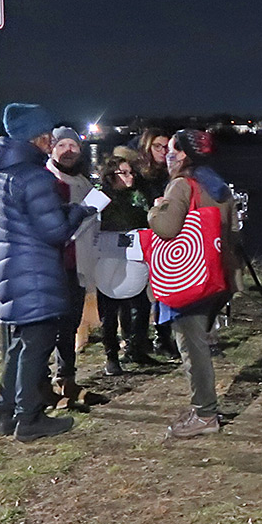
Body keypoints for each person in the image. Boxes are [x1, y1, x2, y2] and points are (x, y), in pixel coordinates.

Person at [0, 103, 92, 442]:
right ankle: (29, 419)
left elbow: (15, 220)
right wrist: (77, 212)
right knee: (37, 344)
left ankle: (6, 414)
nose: (51, 143)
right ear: (40, 138)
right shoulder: (34, 176)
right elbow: (55, 232)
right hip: (35, 271)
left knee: (19, 344)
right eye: (48, 137)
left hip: (8, 266)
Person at [148, 129, 241, 438]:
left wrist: (156, 208)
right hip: (217, 275)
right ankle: (203, 407)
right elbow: (232, 231)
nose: (166, 155)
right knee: (200, 341)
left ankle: (205, 413)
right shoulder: (216, 185)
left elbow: (165, 227)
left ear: (183, 154)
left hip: (188, 277)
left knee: (192, 347)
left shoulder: (180, 186)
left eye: (171, 150)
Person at [45, 126, 98, 403]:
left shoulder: (82, 181)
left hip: (78, 263)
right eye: (62, 145)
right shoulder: (49, 180)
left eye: (73, 146)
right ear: (51, 148)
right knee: (52, 326)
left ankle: (67, 380)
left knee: (70, 324)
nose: (68, 150)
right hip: (55, 264)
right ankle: (45, 386)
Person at [96, 154, 153, 373]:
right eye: (124, 173)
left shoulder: (136, 196)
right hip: (108, 258)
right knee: (110, 310)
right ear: (112, 176)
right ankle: (111, 355)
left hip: (132, 256)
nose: (130, 177)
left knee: (140, 304)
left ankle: (135, 348)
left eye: (131, 172)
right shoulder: (103, 198)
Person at [134, 128, 178, 359]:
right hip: (145, 234)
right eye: (157, 147)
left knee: (165, 289)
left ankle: (164, 336)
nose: (162, 152)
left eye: (166, 147)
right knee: (140, 292)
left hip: (166, 234)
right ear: (147, 148)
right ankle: (138, 341)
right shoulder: (138, 174)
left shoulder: (171, 173)